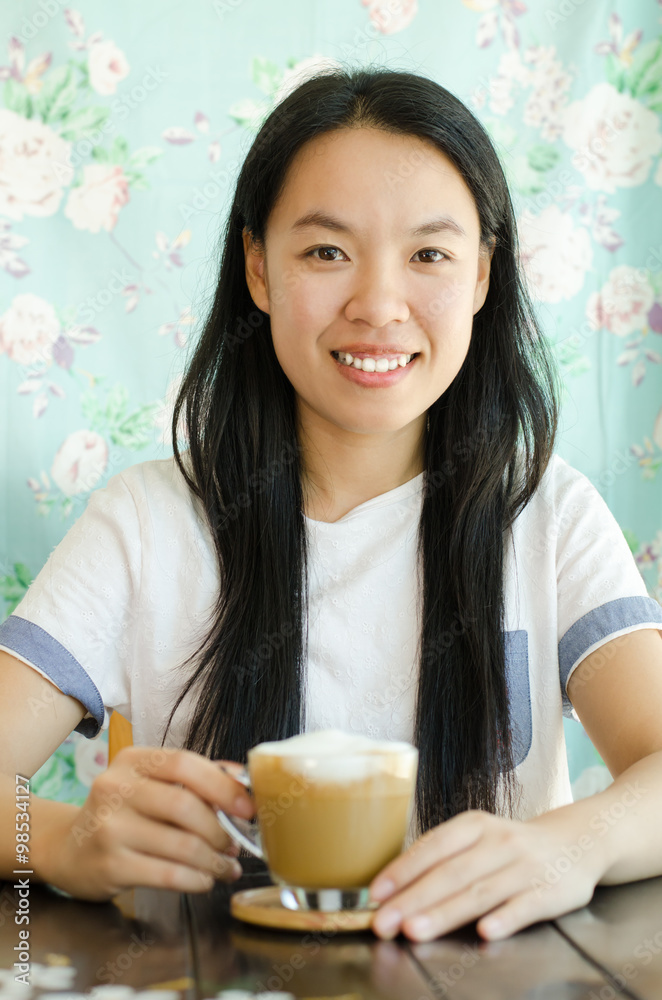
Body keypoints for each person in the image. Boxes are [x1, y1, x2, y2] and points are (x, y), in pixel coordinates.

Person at [1, 65, 662, 945]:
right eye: (326, 252)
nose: (379, 306)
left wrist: (569, 845)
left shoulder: (548, 515)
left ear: (480, 275)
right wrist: (55, 839)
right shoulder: (145, 524)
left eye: (429, 254)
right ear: (258, 268)